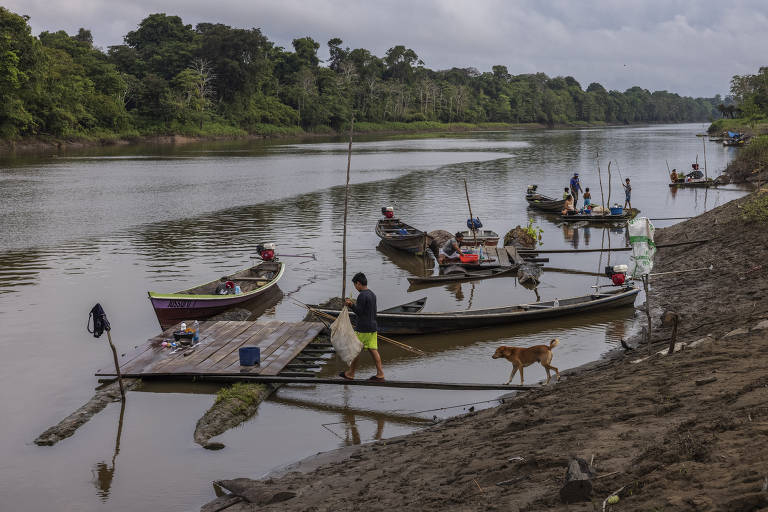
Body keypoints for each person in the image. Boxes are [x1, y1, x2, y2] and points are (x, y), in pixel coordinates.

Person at [340, 273, 384, 382]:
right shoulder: (372, 294)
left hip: (363, 329)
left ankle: (350, 373)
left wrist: (351, 305)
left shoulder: (362, 295)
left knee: (355, 350)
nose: (355, 287)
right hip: (373, 327)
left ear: (358, 283)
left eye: (355, 285)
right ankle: (380, 374)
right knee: (373, 350)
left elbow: (359, 312)